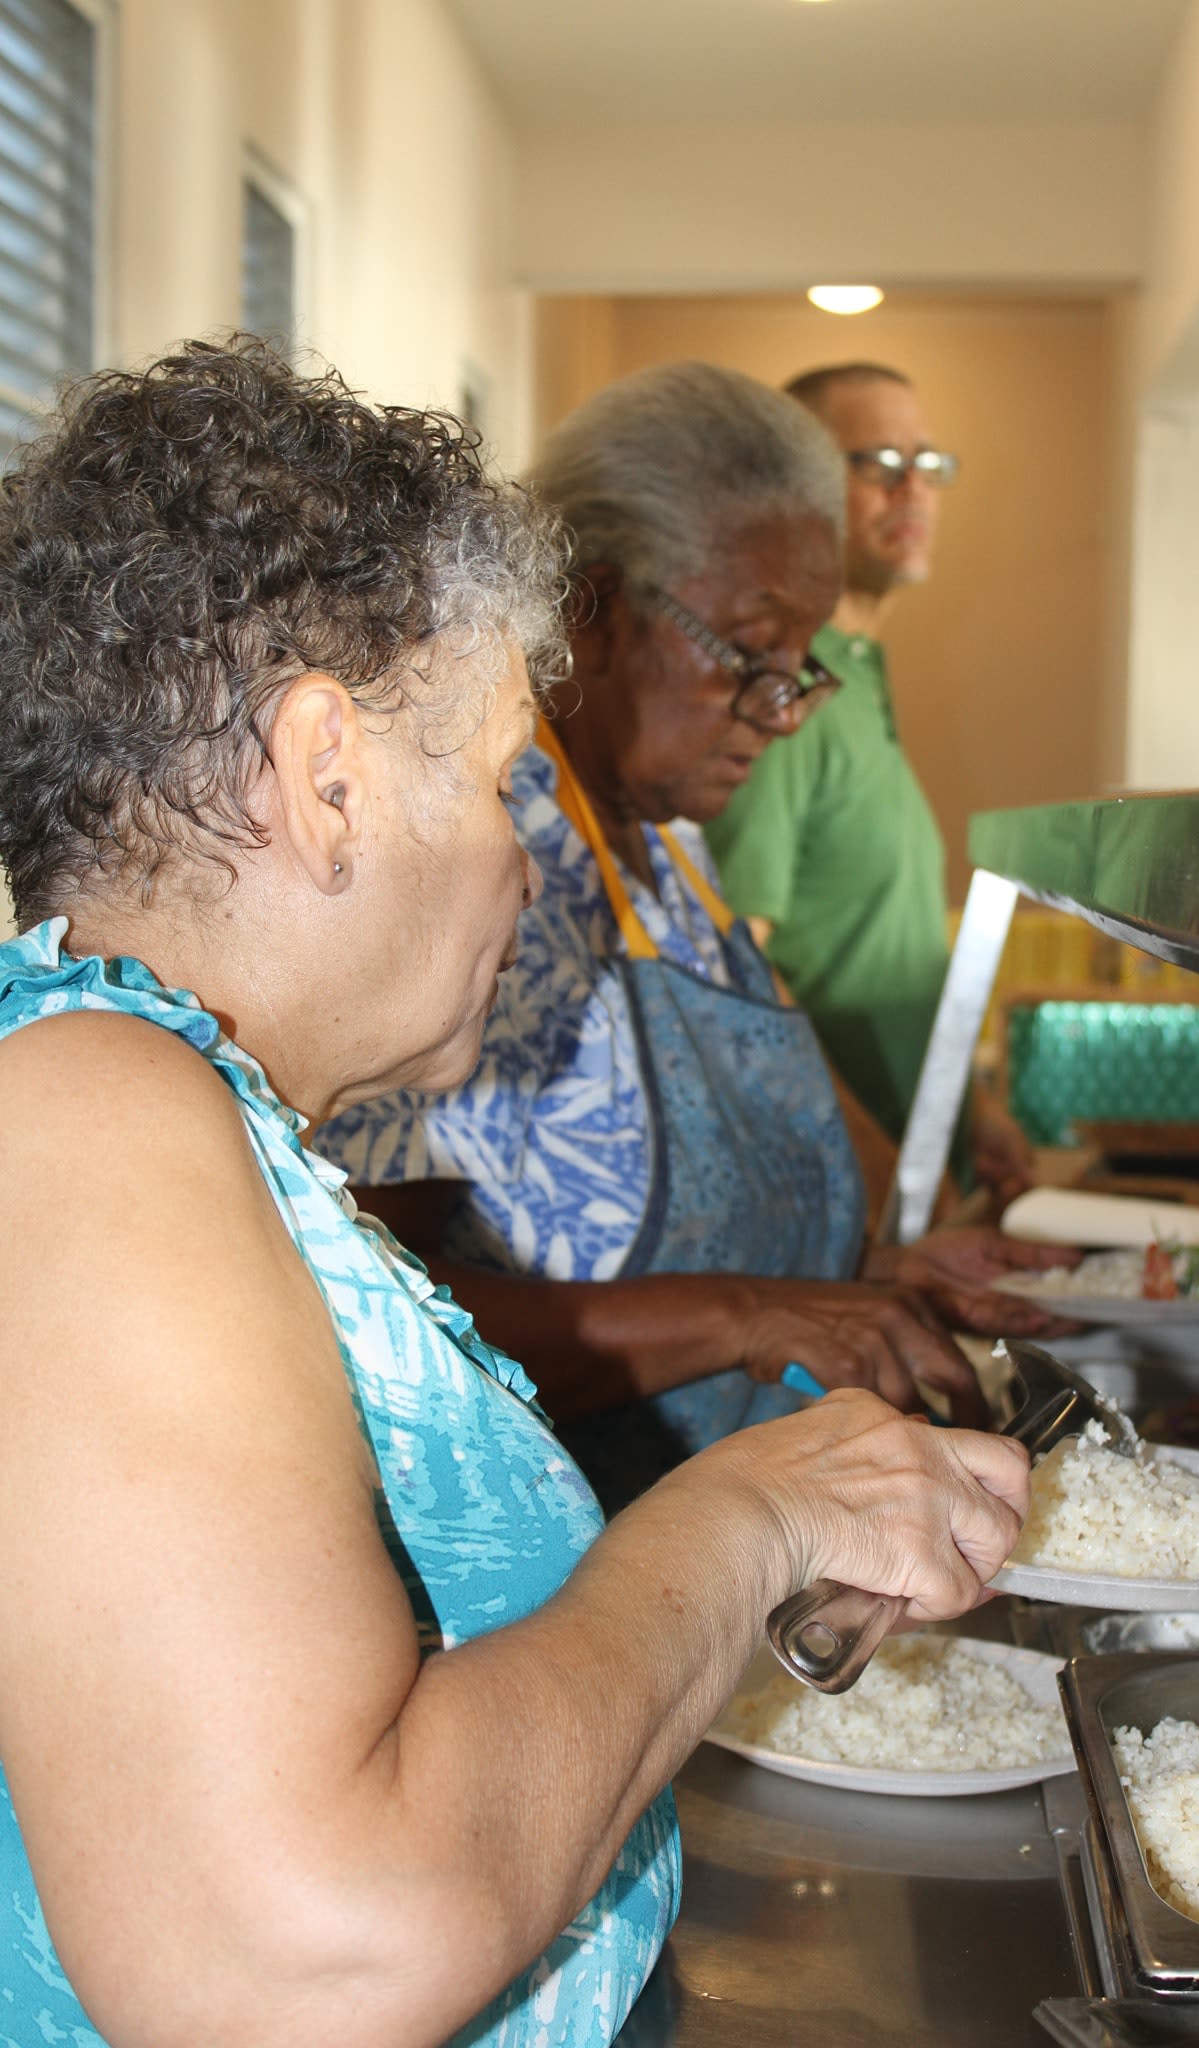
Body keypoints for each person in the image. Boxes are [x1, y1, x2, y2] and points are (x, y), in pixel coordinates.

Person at [0, 339, 1033, 2048]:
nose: (523, 858)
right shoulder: (93, 1113)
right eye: (493, 777)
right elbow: (300, 1953)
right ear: (328, 777)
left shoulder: (186, 1116)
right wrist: (754, 1515)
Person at [317, 360, 1070, 1513]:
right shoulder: (491, 860)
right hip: (572, 1554)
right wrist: (745, 1316)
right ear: (595, 613)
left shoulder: (670, 851)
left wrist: (876, 1277)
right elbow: (364, 1297)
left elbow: (670, 1232)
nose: (781, 712)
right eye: (749, 655)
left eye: (798, 668)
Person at [704, 361, 1034, 1202]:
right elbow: (733, 975)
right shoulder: (788, 690)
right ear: (792, 490)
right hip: (843, 1197)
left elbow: (881, 951)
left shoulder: (855, 671)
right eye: (879, 464)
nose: (912, 490)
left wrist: (969, 1112)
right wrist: (875, 1161)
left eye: (927, 464)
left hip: (916, 1177)